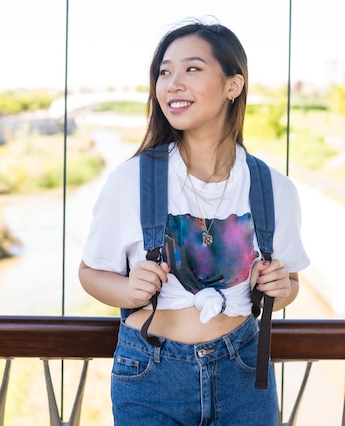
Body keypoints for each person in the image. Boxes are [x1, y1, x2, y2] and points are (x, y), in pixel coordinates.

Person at [78, 19, 310, 426]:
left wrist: (279, 287)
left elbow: (288, 284)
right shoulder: (131, 179)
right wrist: (128, 289)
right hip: (151, 375)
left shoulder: (275, 188)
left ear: (233, 85)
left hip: (244, 375)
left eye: (192, 68)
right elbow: (90, 273)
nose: (173, 84)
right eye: (164, 72)